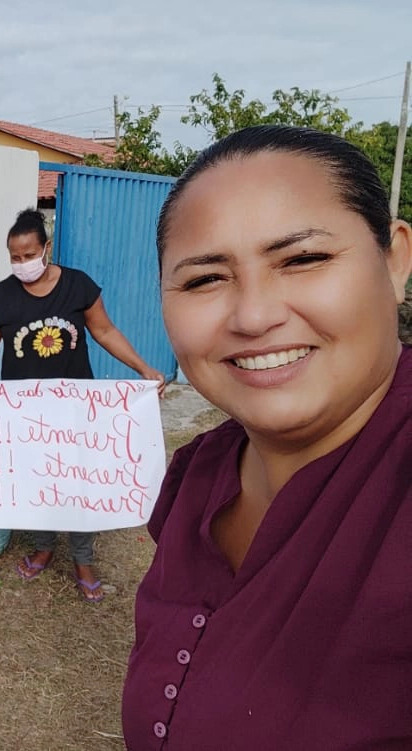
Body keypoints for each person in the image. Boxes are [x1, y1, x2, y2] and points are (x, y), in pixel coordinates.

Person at [122, 125, 412, 749]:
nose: (254, 316)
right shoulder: (196, 475)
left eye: (303, 260)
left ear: (396, 259)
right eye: (205, 280)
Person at [0, 208, 166, 602]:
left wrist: (143, 369)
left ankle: (82, 559)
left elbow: (105, 331)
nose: (22, 263)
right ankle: (43, 546)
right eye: (15, 256)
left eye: (29, 254)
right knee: (35, 481)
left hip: (75, 411)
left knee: (80, 480)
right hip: (24, 414)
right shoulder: (0, 298)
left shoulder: (78, 287)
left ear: (46, 248)